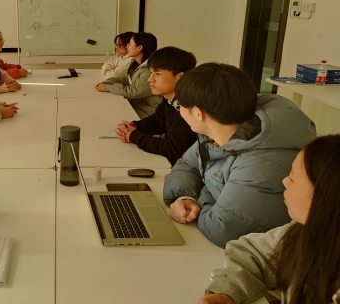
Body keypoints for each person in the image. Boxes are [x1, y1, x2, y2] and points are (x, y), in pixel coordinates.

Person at [163, 63, 317, 248]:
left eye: (179, 105)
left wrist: (199, 195)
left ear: (198, 113)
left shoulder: (261, 164)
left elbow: (222, 229)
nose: (178, 110)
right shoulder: (216, 132)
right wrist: (185, 198)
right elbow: (187, 164)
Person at [197, 135, 340, 304]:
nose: (284, 181)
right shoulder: (304, 231)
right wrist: (227, 292)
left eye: (293, 178)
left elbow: (222, 227)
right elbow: (255, 254)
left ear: (325, 196)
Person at [115, 46, 197, 166]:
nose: (150, 79)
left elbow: (173, 149)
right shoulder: (169, 99)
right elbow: (158, 121)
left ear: (180, 77)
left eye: (157, 74)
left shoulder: (187, 107)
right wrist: (135, 126)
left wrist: (134, 136)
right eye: (151, 73)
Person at [95, 32, 162, 118]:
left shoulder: (149, 69)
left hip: (148, 111)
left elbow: (134, 92)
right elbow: (125, 78)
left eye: (130, 44)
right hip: (137, 104)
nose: (127, 47)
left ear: (139, 47)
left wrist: (107, 87)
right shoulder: (135, 62)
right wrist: (108, 82)